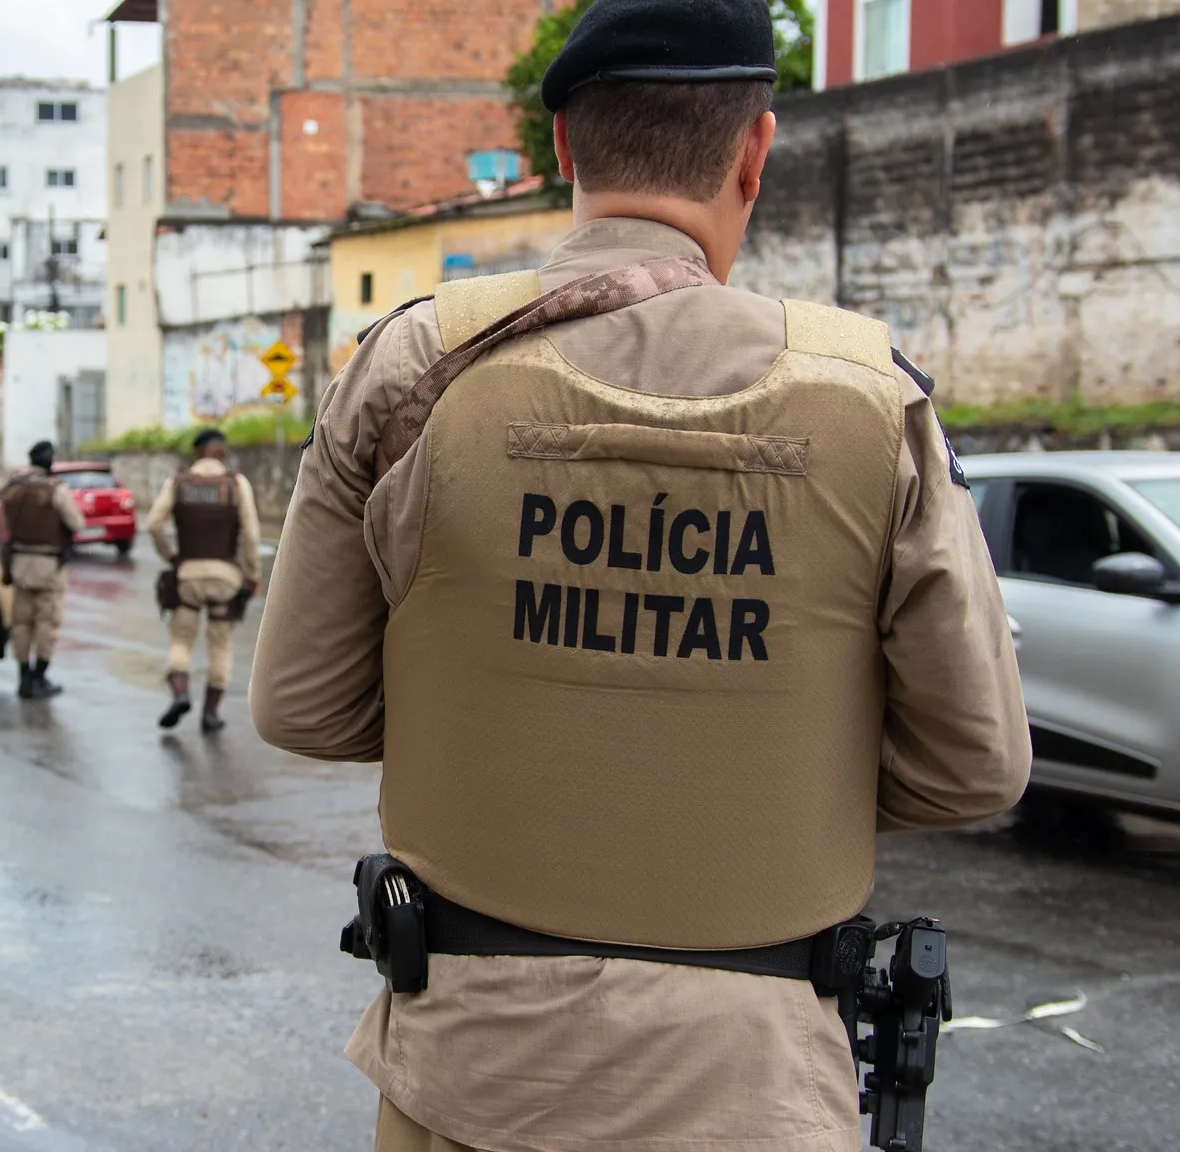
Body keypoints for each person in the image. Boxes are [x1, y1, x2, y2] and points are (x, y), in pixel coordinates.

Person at [248, 1, 1031, 1149]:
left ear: (562, 145)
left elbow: (302, 706)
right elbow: (973, 767)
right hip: (754, 1090)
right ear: (753, 152)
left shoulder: (409, 366)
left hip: (469, 1080)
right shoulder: (873, 399)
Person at [148, 428, 261, 732]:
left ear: (197, 452)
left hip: (187, 576)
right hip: (225, 577)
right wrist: (252, 574)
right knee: (220, 644)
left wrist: (171, 557)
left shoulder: (178, 482)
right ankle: (210, 714)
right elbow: (251, 535)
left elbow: (154, 523)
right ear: (222, 451)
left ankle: (181, 693)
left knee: (181, 640)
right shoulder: (236, 483)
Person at [0, 440, 84, 698]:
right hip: (48, 565)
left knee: (21, 623)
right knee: (47, 622)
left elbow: (5, 522)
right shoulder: (55, 490)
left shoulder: (12, 488)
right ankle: (39, 676)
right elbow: (77, 522)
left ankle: (23, 677)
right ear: (50, 460)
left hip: (19, 563)